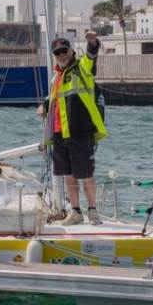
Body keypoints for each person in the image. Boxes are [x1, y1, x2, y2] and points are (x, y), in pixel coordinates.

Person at [44, 32, 108, 226]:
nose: (61, 55)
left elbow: (91, 57)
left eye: (64, 50)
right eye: (57, 53)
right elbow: (54, 101)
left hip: (81, 130)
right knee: (68, 174)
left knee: (86, 173)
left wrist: (92, 43)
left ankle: (93, 211)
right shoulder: (56, 77)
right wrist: (44, 106)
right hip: (59, 132)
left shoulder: (81, 68)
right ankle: (76, 211)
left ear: (72, 51)